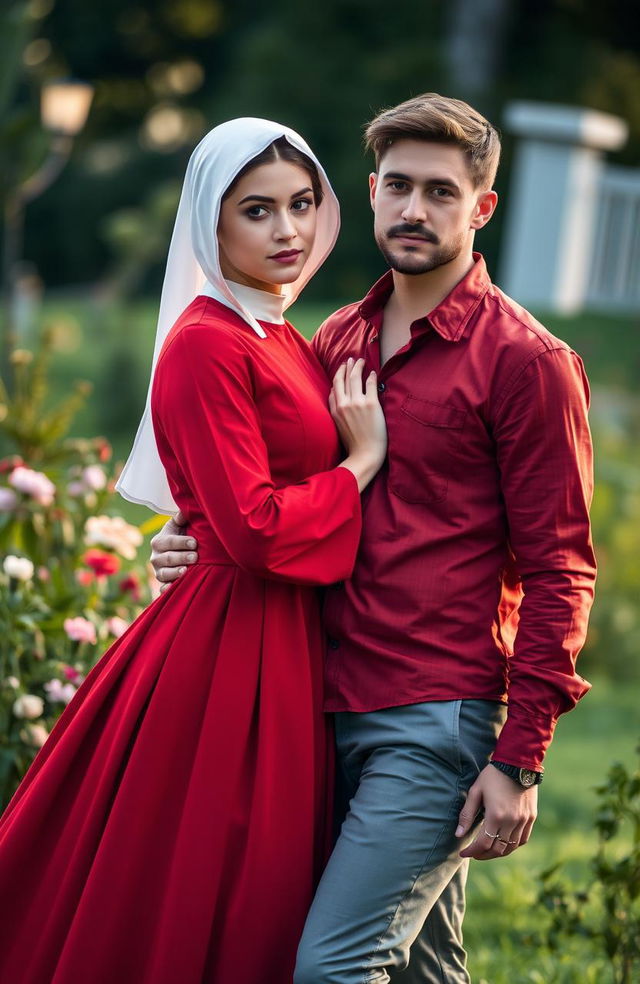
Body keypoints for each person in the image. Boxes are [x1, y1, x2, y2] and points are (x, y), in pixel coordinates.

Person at [153, 94, 597, 984]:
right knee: (424, 968)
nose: (414, 209)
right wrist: (188, 534)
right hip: (315, 701)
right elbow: (272, 495)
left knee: (332, 967)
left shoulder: (528, 363)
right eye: (398, 186)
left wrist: (519, 761)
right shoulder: (333, 338)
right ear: (369, 191)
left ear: (483, 208)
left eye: (441, 192)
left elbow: (561, 570)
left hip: (435, 716)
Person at [0, 117, 387, 984]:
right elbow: (249, 527)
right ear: (211, 223)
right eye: (257, 211)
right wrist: (360, 464)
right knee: (210, 865)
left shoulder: (280, 334)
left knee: (267, 871)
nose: (286, 230)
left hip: (281, 635)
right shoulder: (205, 343)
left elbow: (230, 501)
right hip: (227, 647)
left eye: (299, 205)